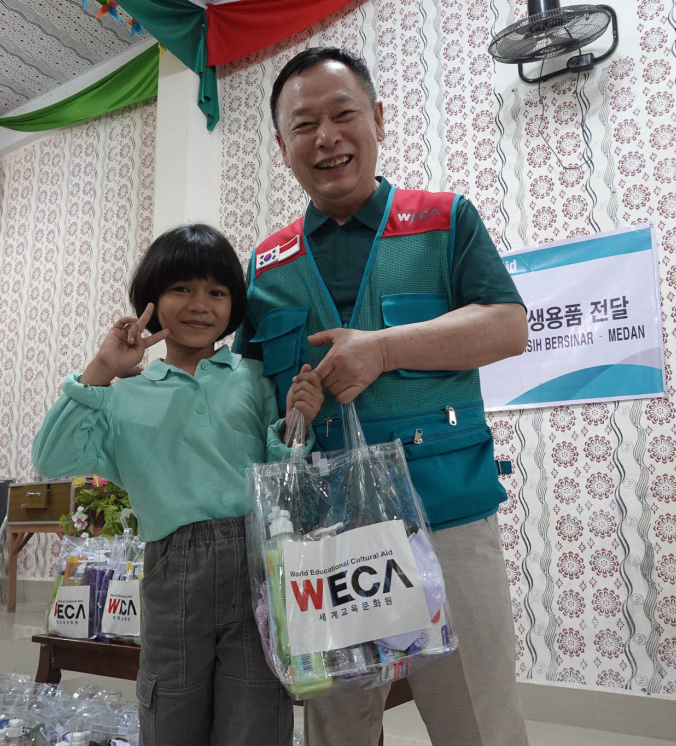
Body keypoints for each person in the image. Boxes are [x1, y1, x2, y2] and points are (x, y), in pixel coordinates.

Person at [233, 47, 530, 746]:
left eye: (343, 114)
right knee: (336, 726)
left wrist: (386, 348)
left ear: (378, 119)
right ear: (282, 145)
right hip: (322, 533)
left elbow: (507, 326)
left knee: (475, 718)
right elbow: (250, 395)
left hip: (446, 513)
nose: (326, 137)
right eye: (303, 125)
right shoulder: (266, 266)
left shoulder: (444, 219)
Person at [32, 223, 322, 746]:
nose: (199, 305)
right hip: (173, 567)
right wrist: (102, 368)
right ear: (152, 299)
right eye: (181, 288)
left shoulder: (253, 379)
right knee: (171, 705)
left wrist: (298, 422)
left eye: (217, 292)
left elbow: (282, 480)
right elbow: (50, 456)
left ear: (234, 305)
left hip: (257, 563)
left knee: (258, 707)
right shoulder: (124, 395)